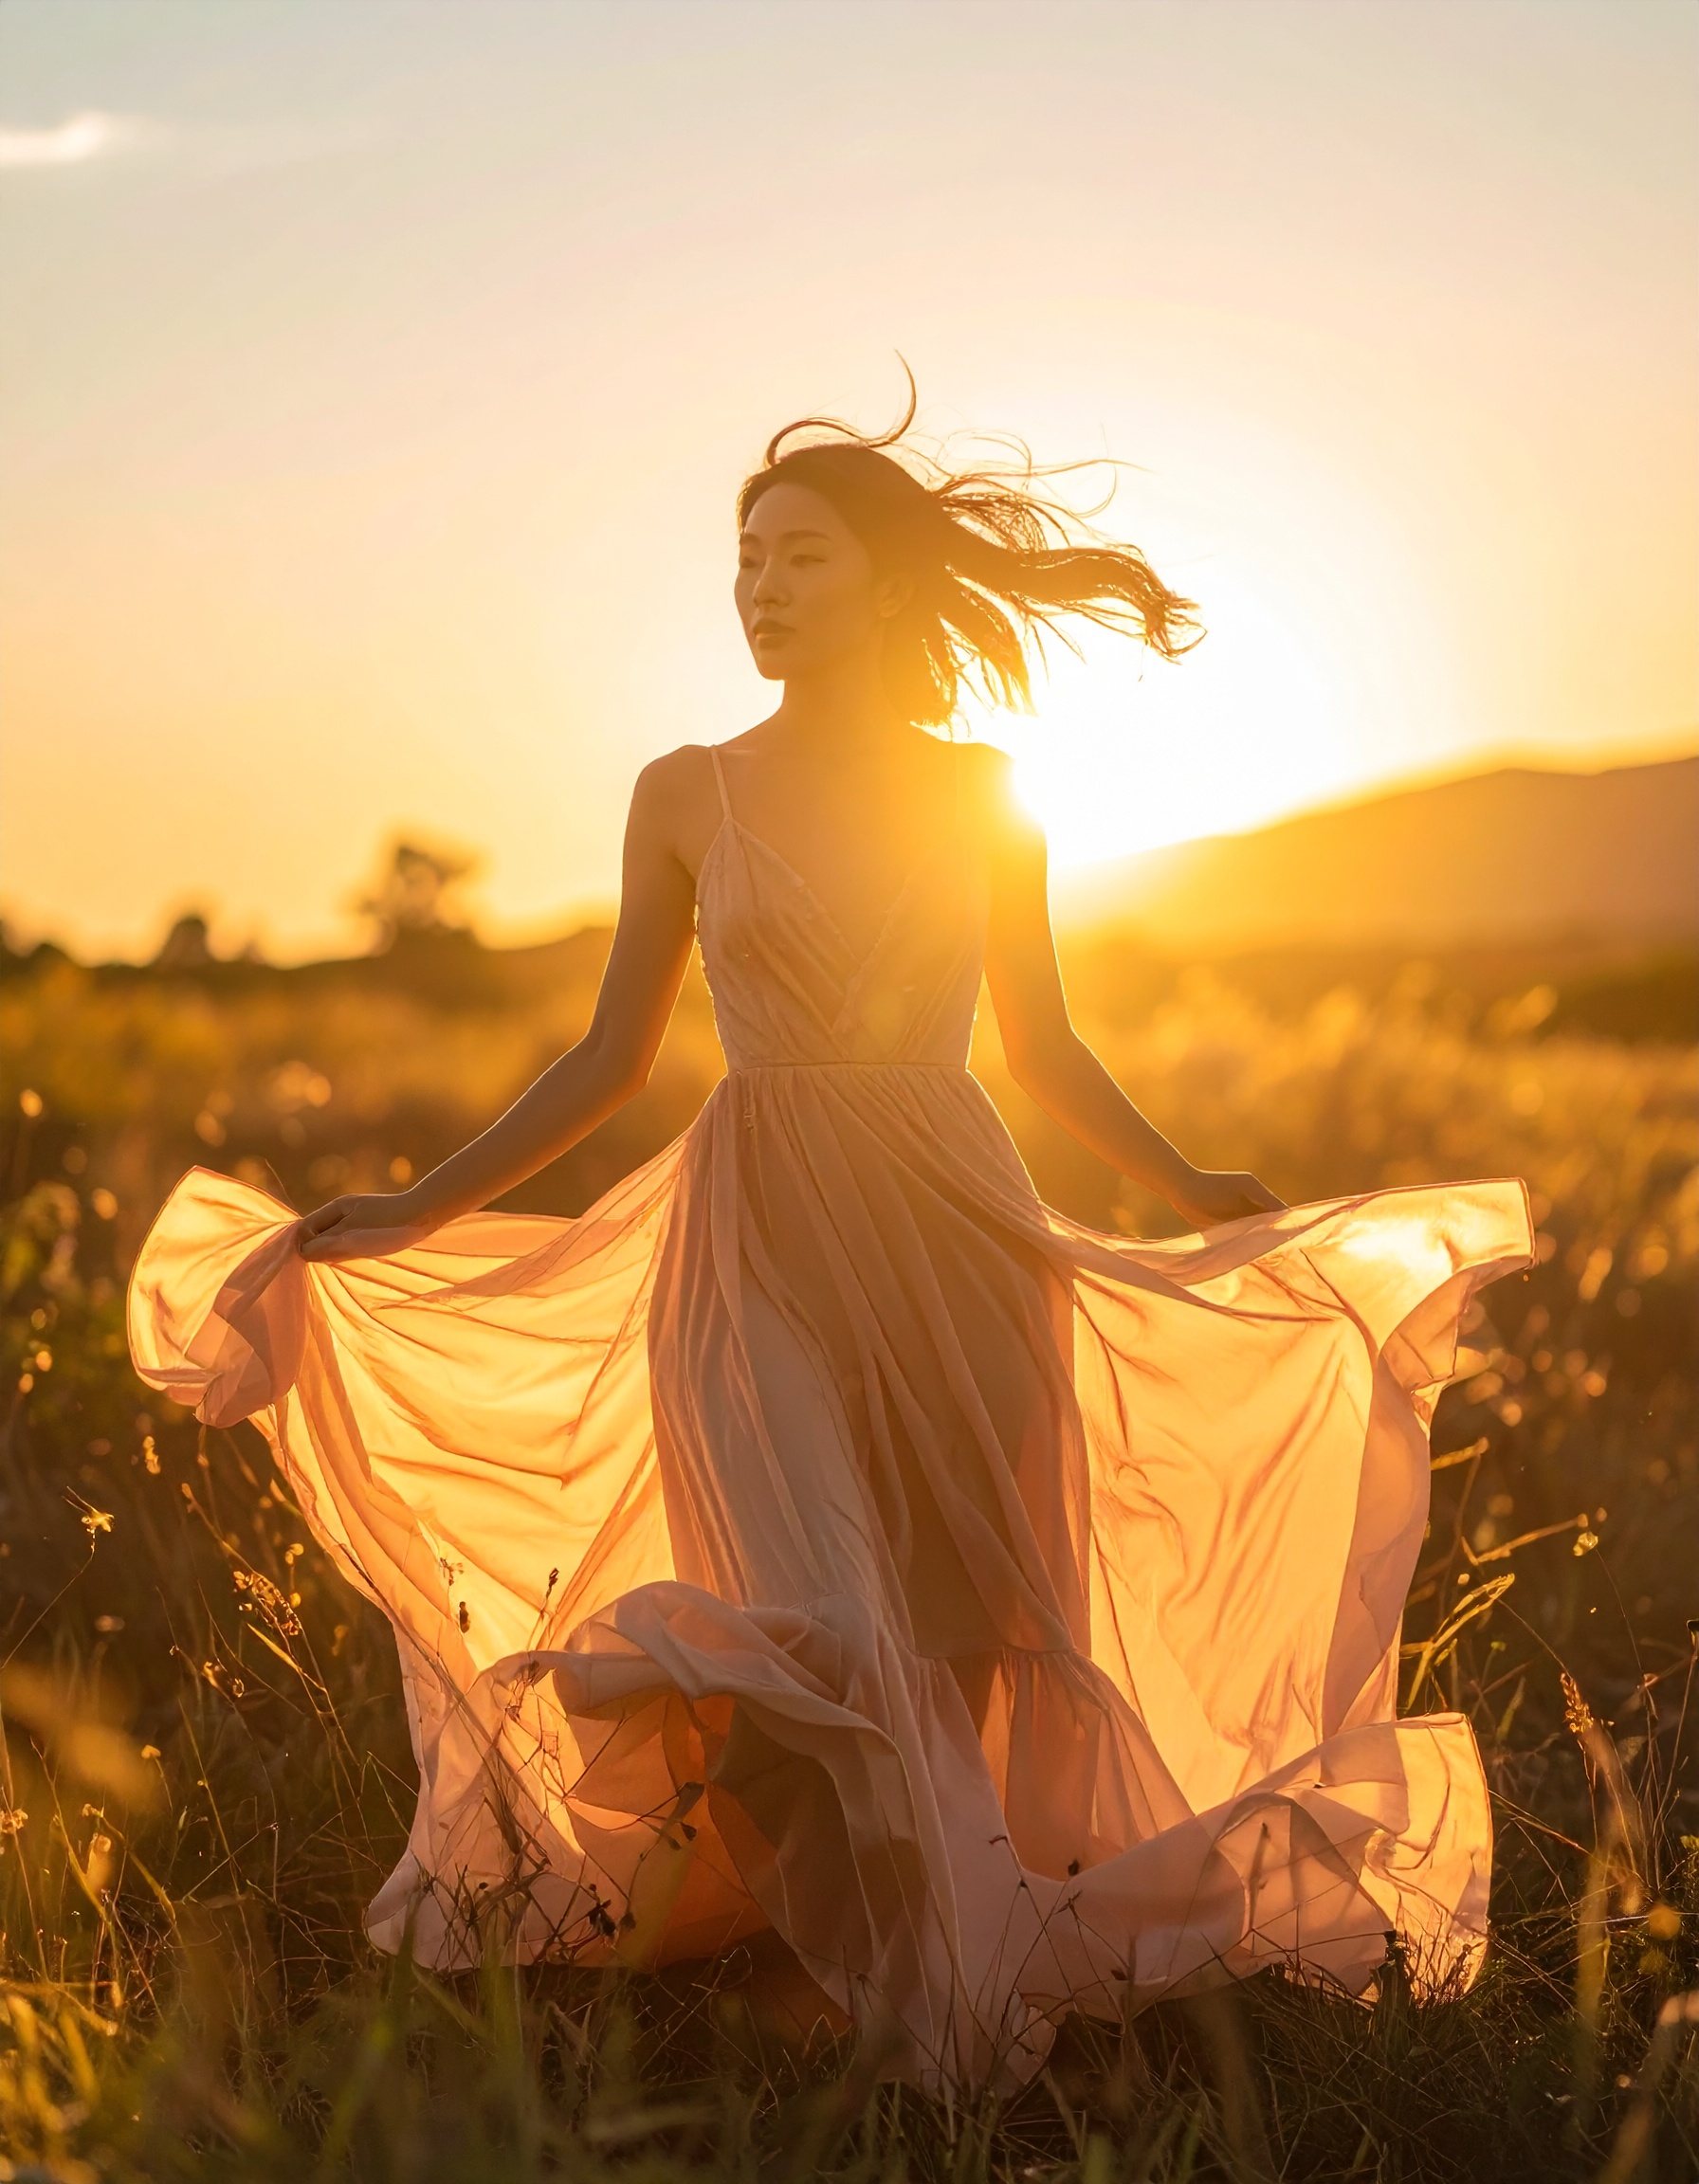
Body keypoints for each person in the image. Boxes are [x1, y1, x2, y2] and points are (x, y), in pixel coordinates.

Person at [129, 396, 1532, 2091]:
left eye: (801, 556)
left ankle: (932, 1981)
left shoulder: (989, 792)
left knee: (971, 1617)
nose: (762, 588)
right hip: (760, 1237)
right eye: (746, 560)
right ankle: (885, 1979)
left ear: (885, 581)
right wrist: (424, 1204)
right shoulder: (687, 790)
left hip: (961, 1230)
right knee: (817, 1611)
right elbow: (611, 1055)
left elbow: (1045, 1045)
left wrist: (1185, 1182)